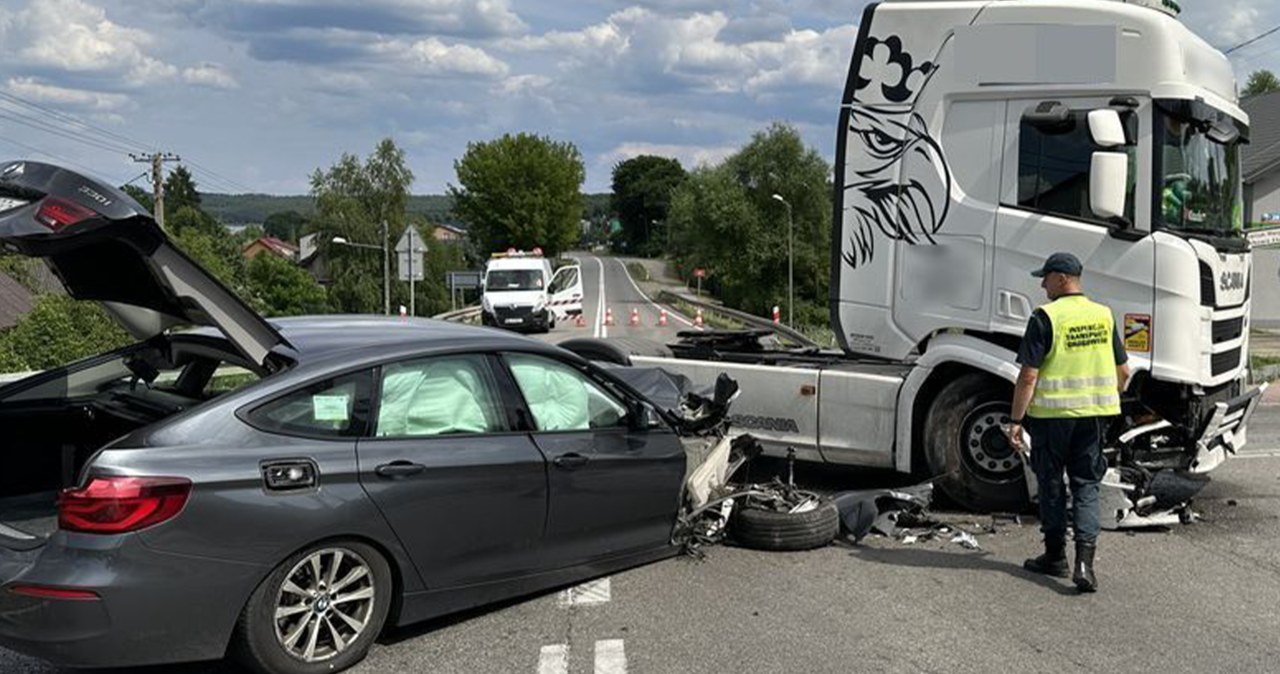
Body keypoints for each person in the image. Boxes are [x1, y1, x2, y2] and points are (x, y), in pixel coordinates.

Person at [1006, 252, 1130, 593]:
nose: (1042, 284)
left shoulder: (1045, 317)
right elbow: (1123, 372)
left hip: (1050, 419)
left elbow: (1028, 376)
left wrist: (1016, 420)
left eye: (1045, 277)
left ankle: (1055, 557)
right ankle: (1085, 565)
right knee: (1086, 485)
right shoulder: (1103, 315)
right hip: (1092, 419)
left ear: (1062, 278)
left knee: (1051, 483)